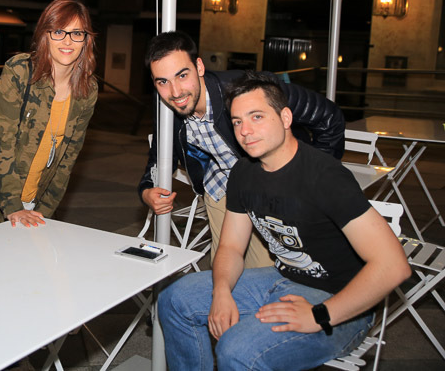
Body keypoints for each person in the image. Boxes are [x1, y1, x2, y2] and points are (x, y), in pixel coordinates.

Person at [158, 72, 411, 370]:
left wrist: (320, 315)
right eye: (237, 122)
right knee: (174, 299)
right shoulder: (243, 173)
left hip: (340, 302)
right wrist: (221, 291)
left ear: (286, 117)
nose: (245, 131)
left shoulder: (325, 177)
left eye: (257, 117)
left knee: (235, 350)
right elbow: (231, 247)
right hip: (281, 278)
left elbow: (393, 265)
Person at [138, 31, 345, 268]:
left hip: (269, 186)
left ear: (199, 67)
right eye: (162, 82)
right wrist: (146, 190)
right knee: (224, 269)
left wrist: (309, 180)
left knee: (272, 272)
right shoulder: (165, 107)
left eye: (182, 75)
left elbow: (329, 117)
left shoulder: (247, 90)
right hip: (220, 189)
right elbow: (159, 156)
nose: (175, 92)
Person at [0, 0, 98, 228]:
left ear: (86, 39)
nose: (67, 41)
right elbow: (1, 143)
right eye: (58, 31)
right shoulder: (20, 71)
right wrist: (13, 206)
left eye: (77, 33)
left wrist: (45, 210)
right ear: (44, 35)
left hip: (36, 203)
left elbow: (68, 158)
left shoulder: (87, 89)